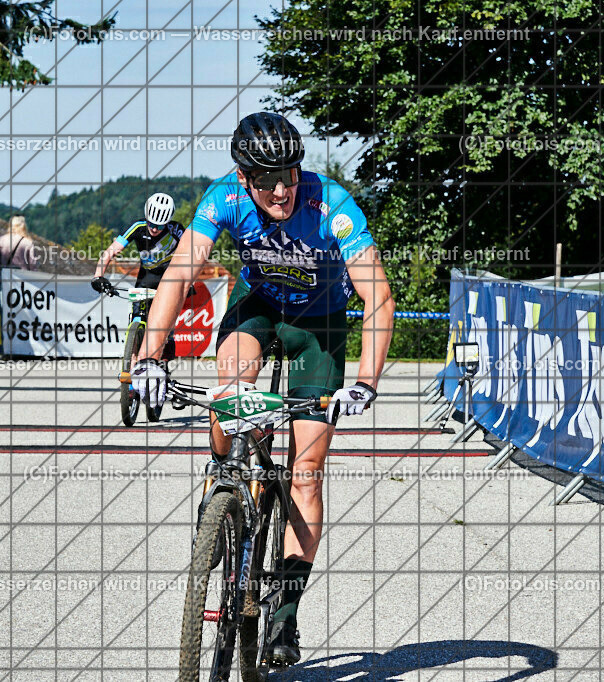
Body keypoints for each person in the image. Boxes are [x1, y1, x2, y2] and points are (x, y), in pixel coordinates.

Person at [129, 111, 395, 665]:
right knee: (230, 382)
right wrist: (150, 357)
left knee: (306, 473)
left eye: (291, 175)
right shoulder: (223, 197)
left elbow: (379, 296)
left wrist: (367, 379)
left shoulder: (331, 206)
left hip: (319, 323)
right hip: (260, 308)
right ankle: (224, 481)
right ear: (243, 176)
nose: (282, 189)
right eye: (267, 179)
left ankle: (286, 615)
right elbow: (180, 273)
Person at [93, 192, 184, 289]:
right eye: (151, 224)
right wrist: (98, 277)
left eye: (160, 226)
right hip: (148, 275)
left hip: (172, 273)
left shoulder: (176, 229)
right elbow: (110, 252)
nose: (154, 229)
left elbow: (194, 252)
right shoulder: (137, 227)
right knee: (137, 303)